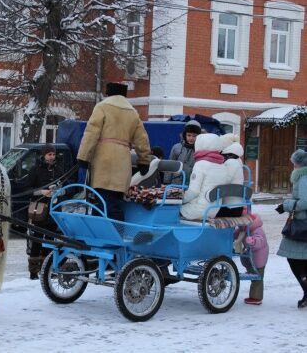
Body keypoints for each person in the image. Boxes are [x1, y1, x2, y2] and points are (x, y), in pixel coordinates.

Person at [77, 82, 151, 221]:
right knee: (115, 200)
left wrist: (83, 156)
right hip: (122, 162)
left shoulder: (102, 107)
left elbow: (91, 133)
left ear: (108, 92)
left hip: (103, 161)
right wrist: (144, 160)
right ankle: (117, 230)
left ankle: (105, 234)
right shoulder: (132, 112)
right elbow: (142, 139)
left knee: (100, 200)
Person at [27, 144, 65, 280]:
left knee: (50, 240)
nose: (52, 157)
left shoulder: (59, 170)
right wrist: (41, 192)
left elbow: (66, 188)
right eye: (49, 154)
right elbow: (27, 189)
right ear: (43, 155)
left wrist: (60, 192)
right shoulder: (35, 170)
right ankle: (33, 271)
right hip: (39, 210)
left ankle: (47, 268)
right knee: (36, 239)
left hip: (53, 211)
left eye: (53, 154)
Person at [276, 149, 307, 308]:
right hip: (302, 224)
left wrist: (287, 205)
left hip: (301, 225)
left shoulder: (303, 177)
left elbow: (305, 202)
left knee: (294, 259)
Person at [180, 133, 230, 221]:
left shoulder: (200, 164)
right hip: (215, 209)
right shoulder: (222, 165)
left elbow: (194, 191)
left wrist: (181, 199)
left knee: (173, 210)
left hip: (199, 210)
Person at [234, 213, 268, 305]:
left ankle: (256, 298)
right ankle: (254, 295)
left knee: (258, 278)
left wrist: (253, 241)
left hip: (259, 257)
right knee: (254, 275)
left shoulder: (257, 230)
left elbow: (260, 241)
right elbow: (236, 234)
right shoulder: (244, 229)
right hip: (250, 256)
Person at [164, 120, 202, 185]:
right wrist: (166, 181)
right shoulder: (177, 148)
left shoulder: (200, 150)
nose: (191, 138)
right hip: (176, 183)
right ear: (185, 135)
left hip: (192, 184)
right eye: (189, 135)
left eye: (194, 136)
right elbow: (170, 165)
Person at [216, 134, 245, 217]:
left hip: (230, 207)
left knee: (207, 213)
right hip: (235, 206)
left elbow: (225, 180)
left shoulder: (231, 162)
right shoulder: (237, 161)